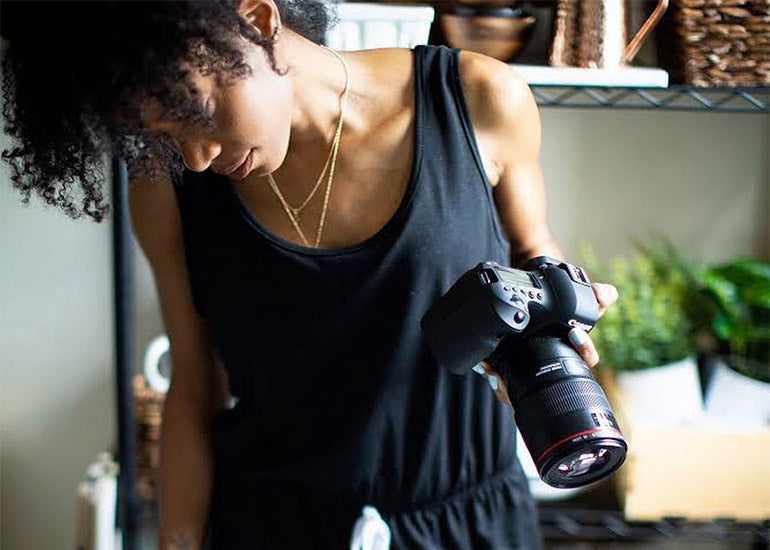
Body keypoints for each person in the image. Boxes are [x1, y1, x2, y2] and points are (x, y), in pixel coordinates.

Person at [0, 1, 619, 548]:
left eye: (197, 111)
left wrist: (554, 322)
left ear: (259, 21)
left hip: (470, 522)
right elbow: (193, 384)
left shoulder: (477, 99)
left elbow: (533, 247)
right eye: (160, 135)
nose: (196, 156)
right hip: (272, 523)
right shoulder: (164, 187)